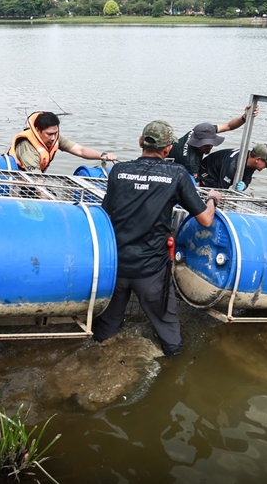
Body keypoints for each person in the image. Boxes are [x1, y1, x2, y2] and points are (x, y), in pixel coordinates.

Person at [92, 120, 221, 356]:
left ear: (141, 142)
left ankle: (99, 357)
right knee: (168, 332)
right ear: (168, 149)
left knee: (106, 330)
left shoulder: (118, 171)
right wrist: (212, 198)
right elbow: (205, 220)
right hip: (150, 270)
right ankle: (173, 370)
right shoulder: (177, 174)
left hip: (116, 266)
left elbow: (105, 215)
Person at [7, 111, 116, 172]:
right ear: (37, 130)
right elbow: (37, 180)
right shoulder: (27, 146)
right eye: (49, 134)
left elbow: (80, 150)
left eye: (56, 133)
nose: (54, 138)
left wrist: (102, 155)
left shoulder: (55, 138)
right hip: (17, 182)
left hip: (35, 179)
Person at [167, 105, 258, 177]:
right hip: (168, 161)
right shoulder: (191, 161)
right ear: (197, 143)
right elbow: (194, 183)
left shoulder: (201, 131)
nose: (210, 147)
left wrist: (245, 117)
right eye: (206, 145)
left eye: (211, 144)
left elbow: (229, 126)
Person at [198, 143, 267, 190]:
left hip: (220, 173)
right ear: (258, 159)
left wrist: (244, 185)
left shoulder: (250, 160)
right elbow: (222, 189)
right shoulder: (233, 164)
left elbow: (247, 177)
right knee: (216, 192)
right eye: (266, 163)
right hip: (206, 172)